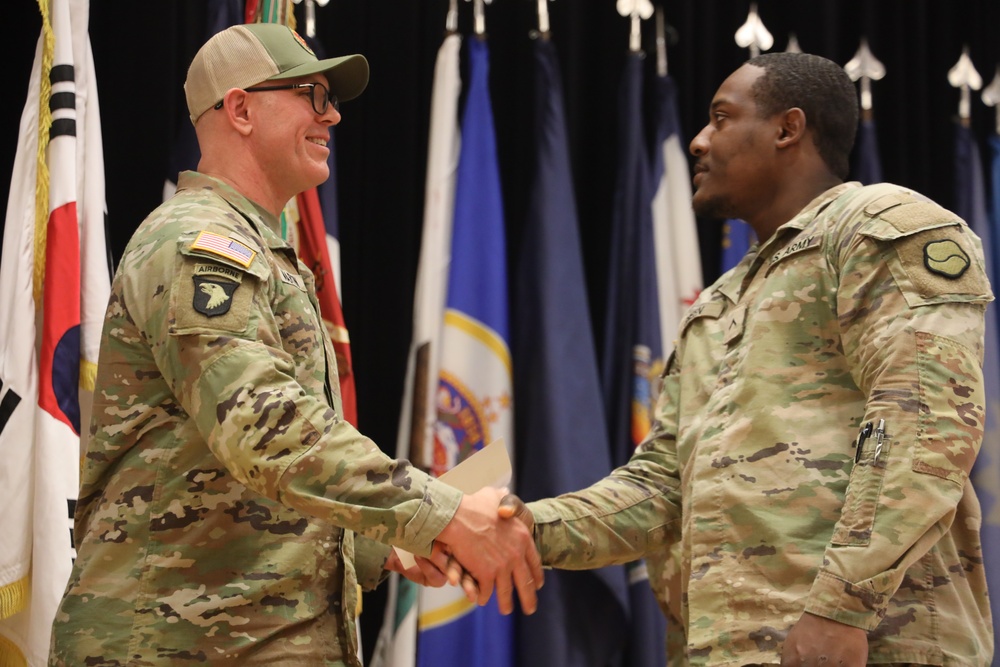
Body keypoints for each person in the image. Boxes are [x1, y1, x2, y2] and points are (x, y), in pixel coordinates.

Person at [49, 23, 541, 667]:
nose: (331, 114)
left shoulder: (264, 252)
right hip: (171, 645)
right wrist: (440, 514)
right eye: (310, 93)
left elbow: (244, 481)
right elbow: (265, 428)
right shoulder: (195, 243)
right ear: (242, 109)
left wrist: (382, 546)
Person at [492, 51, 995, 665]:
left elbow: (925, 423)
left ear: (788, 128)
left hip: (873, 642)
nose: (699, 141)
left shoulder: (877, 227)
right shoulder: (717, 304)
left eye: (721, 118)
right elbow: (659, 489)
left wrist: (842, 605)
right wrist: (522, 528)